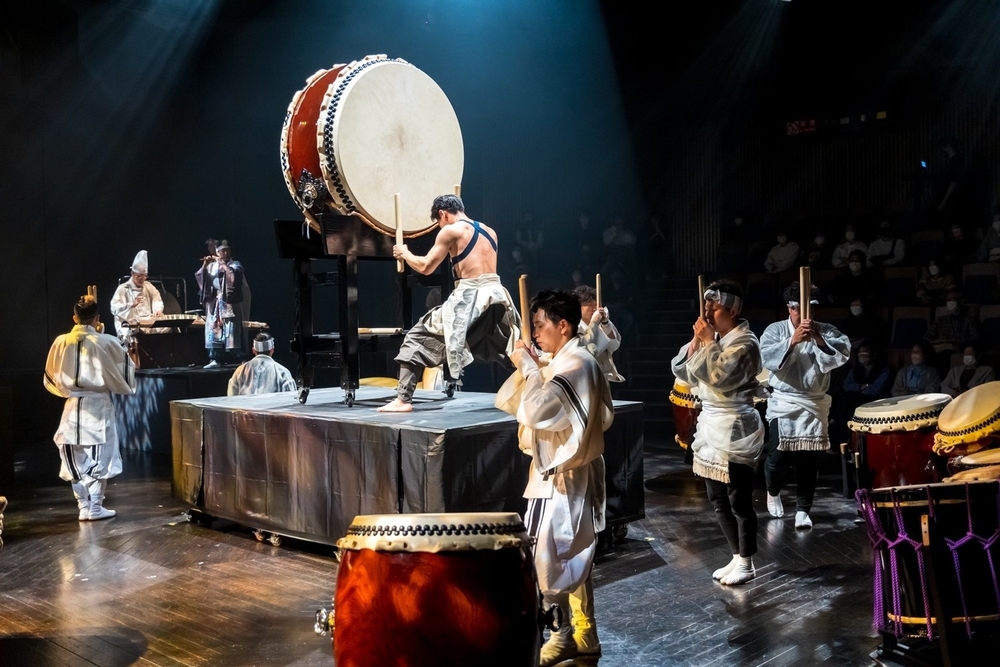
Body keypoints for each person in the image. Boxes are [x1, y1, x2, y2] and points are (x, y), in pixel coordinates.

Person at [496, 289, 612, 665]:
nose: (535, 334)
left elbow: (535, 410)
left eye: (540, 325)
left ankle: (563, 635)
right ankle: (581, 634)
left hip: (566, 476)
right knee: (567, 555)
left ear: (563, 326)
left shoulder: (576, 364)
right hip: (557, 475)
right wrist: (533, 365)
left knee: (551, 559)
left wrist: (531, 369)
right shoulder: (567, 359)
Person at [379, 194, 519, 412]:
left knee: (416, 338)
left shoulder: (451, 231)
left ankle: (403, 400)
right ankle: (538, 389)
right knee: (509, 349)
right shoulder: (490, 231)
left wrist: (405, 253)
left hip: (471, 298)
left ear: (443, 214)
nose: (440, 227)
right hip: (498, 298)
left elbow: (426, 267)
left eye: (438, 222)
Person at [671, 279, 765, 586]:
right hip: (711, 422)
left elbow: (719, 376)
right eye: (706, 306)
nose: (707, 312)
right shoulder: (715, 339)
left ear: (733, 310)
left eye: (714, 307)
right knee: (717, 498)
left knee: (739, 499)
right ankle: (736, 556)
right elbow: (683, 371)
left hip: (735, 424)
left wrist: (709, 343)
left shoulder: (746, 343)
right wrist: (697, 342)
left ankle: (748, 562)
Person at [760, 283, 850, 529]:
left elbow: (839, 356)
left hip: (813, 400)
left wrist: (818, 338)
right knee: (776, 457)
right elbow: (767, 358)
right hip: (784, 401)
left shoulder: (826, 330)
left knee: (808, 461)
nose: (806, 314)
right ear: (790, 308)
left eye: (811, 308)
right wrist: (792, 341)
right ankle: (773, 491)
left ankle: (803, 509)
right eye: (800, 308)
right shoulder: (775, 330)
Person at [43, 295, 136, 520]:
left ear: (75, 318)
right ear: (97, 318)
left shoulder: (61, 341)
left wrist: (69, 391)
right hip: (96, 404)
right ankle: (94, 506)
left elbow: (50, 376)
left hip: (72, 404)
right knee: (99, 457)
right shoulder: (106, 341)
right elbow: (126, 370)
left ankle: (84, 506)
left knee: (73, 457)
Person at [196, 239, 246, 368]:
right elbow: (201, 277)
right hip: (215, 302)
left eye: (227, 250)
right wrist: (205, 265)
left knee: (232, 331)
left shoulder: (235, 264)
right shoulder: (212, 266)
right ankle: (215, 359)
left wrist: (221, 263)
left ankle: (239, 359)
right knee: (213, 329)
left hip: (229, 302)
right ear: (218, 252)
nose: (226, 253)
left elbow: (234, 275)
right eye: (223, 251)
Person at [574, 285, 625, 384]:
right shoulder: (574, 326)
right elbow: (584, 349)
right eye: (590, 305)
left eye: (596, 304)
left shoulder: (601, 322)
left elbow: (614, 346)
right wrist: (594, 323)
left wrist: (605, 323)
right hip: (584, 377)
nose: (595, 309)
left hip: (604, 375)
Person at [110, 250, 166, 338]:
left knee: (165, 328)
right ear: (132, 273)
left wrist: (157, 310)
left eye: (144, 276)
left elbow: (157, 299)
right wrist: (131, 305)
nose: (142, 279)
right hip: (131, 322)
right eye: (139, 276)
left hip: (148, 321)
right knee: (132, 333)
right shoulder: (123, 288)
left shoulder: (148, 286)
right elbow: (114, 308)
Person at [924, 289, 980, 371]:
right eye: (949, 300)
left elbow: (975, 338)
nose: (951, 302)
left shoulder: (969, 320)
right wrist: (938, 340)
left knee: (945, 355)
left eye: (954, 299)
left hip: (958, 348)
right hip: (940, 348)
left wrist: (955, 341)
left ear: (960, 301)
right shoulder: (940, 320)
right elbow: (927, 337)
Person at [227, 333, 297, 396]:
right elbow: (290, 399)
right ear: (272, 350)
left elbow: (231, 398)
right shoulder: (282, 372)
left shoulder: (240, 371)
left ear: (253, 350)